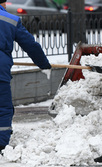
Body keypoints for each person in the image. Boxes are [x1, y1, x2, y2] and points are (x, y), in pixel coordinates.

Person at [0, 0, 51, 153]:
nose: (6, 5)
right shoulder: (10, 20)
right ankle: (1, 143)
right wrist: (43, 64)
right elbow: (31, 45)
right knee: (3, 108)